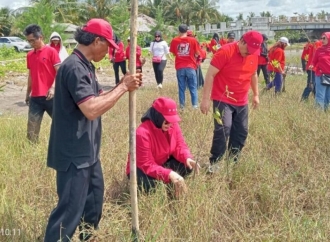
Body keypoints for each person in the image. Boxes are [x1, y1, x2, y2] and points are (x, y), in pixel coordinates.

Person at [44, 18, 142, 242]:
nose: (108, 52)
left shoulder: (86, 66)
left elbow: (97, 97)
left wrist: (122, 85)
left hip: (88, 153)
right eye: (107, 46)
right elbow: (91, 109)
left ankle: (87, 238)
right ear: (97, 41)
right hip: (73, 155)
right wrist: (123, 87)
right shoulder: (74, 67)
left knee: (94, 205)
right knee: (68, 213)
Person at [200, 30, 263, 172]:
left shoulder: (253, 55)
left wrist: (256, 95)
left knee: (241, 131)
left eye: (253, 51)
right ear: (241, 41)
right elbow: (210, 74)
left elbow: (253, 75)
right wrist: (205, 100)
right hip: (223, 98)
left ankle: (233, 161)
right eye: (248, 49)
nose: (250, 53)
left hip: (241, 100)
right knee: (223, 129)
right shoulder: (225, 52)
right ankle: (215, 163)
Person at [126, 97, 199, 197]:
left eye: (172, 121)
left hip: (161, 163)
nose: (170, 124)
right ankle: (166, 185)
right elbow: (147, 164)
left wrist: (187, 157)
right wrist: (169, 174)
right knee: (153, 186)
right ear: (158, 116)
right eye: (167, 121)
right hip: (142, 169)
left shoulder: (173, 125)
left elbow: (179, 145)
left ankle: (170, 182)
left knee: (187, 166)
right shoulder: (142, 133)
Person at [24, 24, 61, 143]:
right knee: (32, 129)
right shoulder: (29, 55)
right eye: (29, 41)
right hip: (35, 98)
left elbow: (59, 72)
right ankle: (32, 151)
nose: (31, 43)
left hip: (51, 97)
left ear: (41, 37)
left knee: (61, 124)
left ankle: (66, 146)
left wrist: (53, 87)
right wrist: (27, 93)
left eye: (33, 40)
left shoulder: (51, 52)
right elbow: (31, 75)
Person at [169, 24, 200, 109]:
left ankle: (182, 106)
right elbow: (198, 53)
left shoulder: (174, 40)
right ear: (187, 31)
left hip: (180, 67)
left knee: (181, 88)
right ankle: (195, 105)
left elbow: (174, 53)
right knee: (193, 87)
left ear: (179, 31)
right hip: (190, 66)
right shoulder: (193, 40)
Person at [311, 32, 330, 110]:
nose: (322, 40)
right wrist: (312, 65)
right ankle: (319, 113)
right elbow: (313, 61)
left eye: (324, 38)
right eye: (321, 38)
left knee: (328, 96)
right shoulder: (319, 50)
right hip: (320, 75)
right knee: (320, 95)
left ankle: (325, 112)